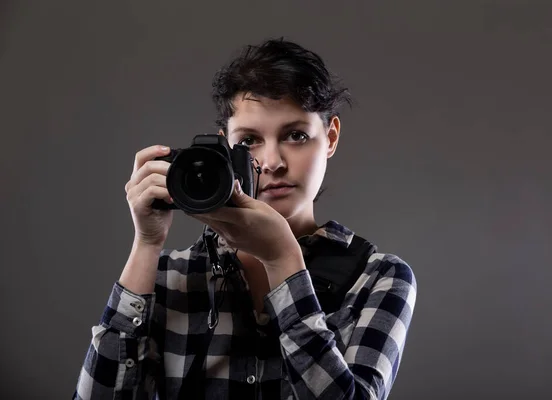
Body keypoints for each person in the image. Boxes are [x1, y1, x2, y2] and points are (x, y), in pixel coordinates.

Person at [73, 38, 417, 399]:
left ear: (329, 137)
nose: (272, 162)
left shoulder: (378, 277)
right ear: (225, 149)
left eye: (296, 135)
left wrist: (282, 260)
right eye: (249, 140)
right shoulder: (167, 277)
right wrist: (146, 243)